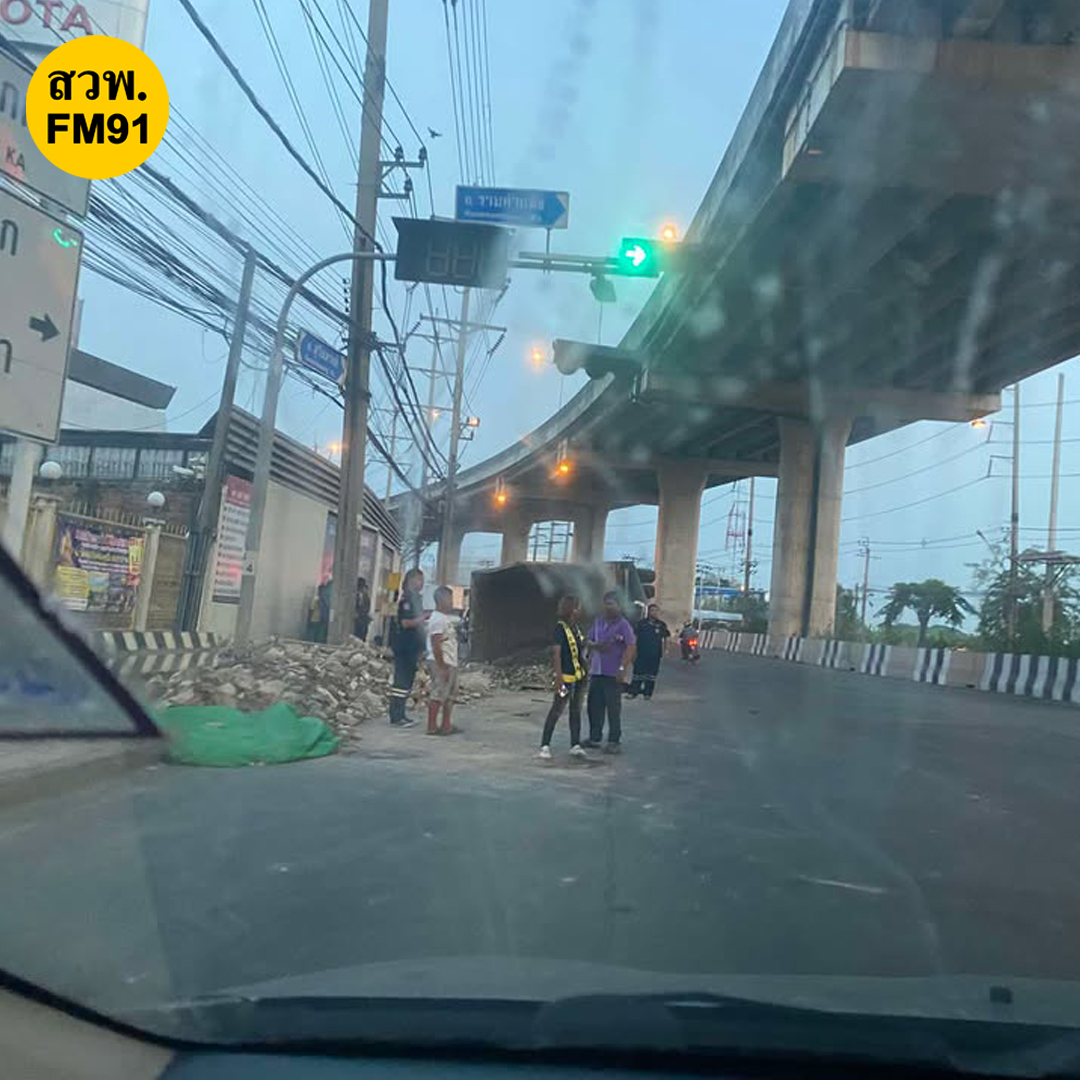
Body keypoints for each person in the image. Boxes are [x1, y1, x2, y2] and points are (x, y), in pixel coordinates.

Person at [584, 591, 636, 754]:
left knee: (613, 708)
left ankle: (614, 741)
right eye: (606, 603)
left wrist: (622, 668)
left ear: (619, 606)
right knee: (594, 706)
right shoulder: (598, 621)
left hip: (613, 673)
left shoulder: (623, 625)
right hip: (596, 671)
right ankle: (594, 738)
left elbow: (630, 647)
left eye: (612, 604)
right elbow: (588, 639)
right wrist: (595, 645)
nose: (608, 607)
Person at [538, 594, 588, 761]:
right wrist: (558, 677)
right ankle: (545, 746)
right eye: (578, 607)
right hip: (565, 678)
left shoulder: (576, 628)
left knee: (576, 709)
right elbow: (557, 654)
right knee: (557, 709)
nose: (581, 610)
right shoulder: (560, 628)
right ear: (573, 609)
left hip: (579, 678)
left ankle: (575, 744)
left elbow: (581, 649)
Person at [388, 568, 425, 727]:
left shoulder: (416, 598)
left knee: (407, 681)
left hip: (412, 647)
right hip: (405, 647)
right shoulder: (407, 600)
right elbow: (405, 623)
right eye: (419, 579)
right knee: (401, 682)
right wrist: (423, 618)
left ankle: (401, 714)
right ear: (411, 580)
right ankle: (397, 716)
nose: (421, 583)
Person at [425, 585, 461, 736]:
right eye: (449, 599)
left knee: (450, 695)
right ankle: (432, 726)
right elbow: (436, 644)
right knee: (438, 693)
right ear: (441, 600)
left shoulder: (445, 619)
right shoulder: (437, 620)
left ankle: (446, 725)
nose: (451, 603)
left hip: (450, 661)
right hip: (441, 662)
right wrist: (442, 666)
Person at [628, 603, 670, 699]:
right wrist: (633, 650)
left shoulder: (661, 625)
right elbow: (635, 637)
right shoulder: (641, 624)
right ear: (648, 612)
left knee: (651, 674)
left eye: (656, 611)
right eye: (652, 610)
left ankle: (647, 693)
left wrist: (666, 649)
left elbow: (666, 638)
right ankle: (633, 692)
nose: (654, 612)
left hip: (655, 654)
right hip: (641, 653)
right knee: (638, 673)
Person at [354, 576, 371, 641]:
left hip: (363, 621)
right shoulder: (354, 595)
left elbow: (367, 607)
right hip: (356, 621)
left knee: (362, 637)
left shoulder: (366, 596)